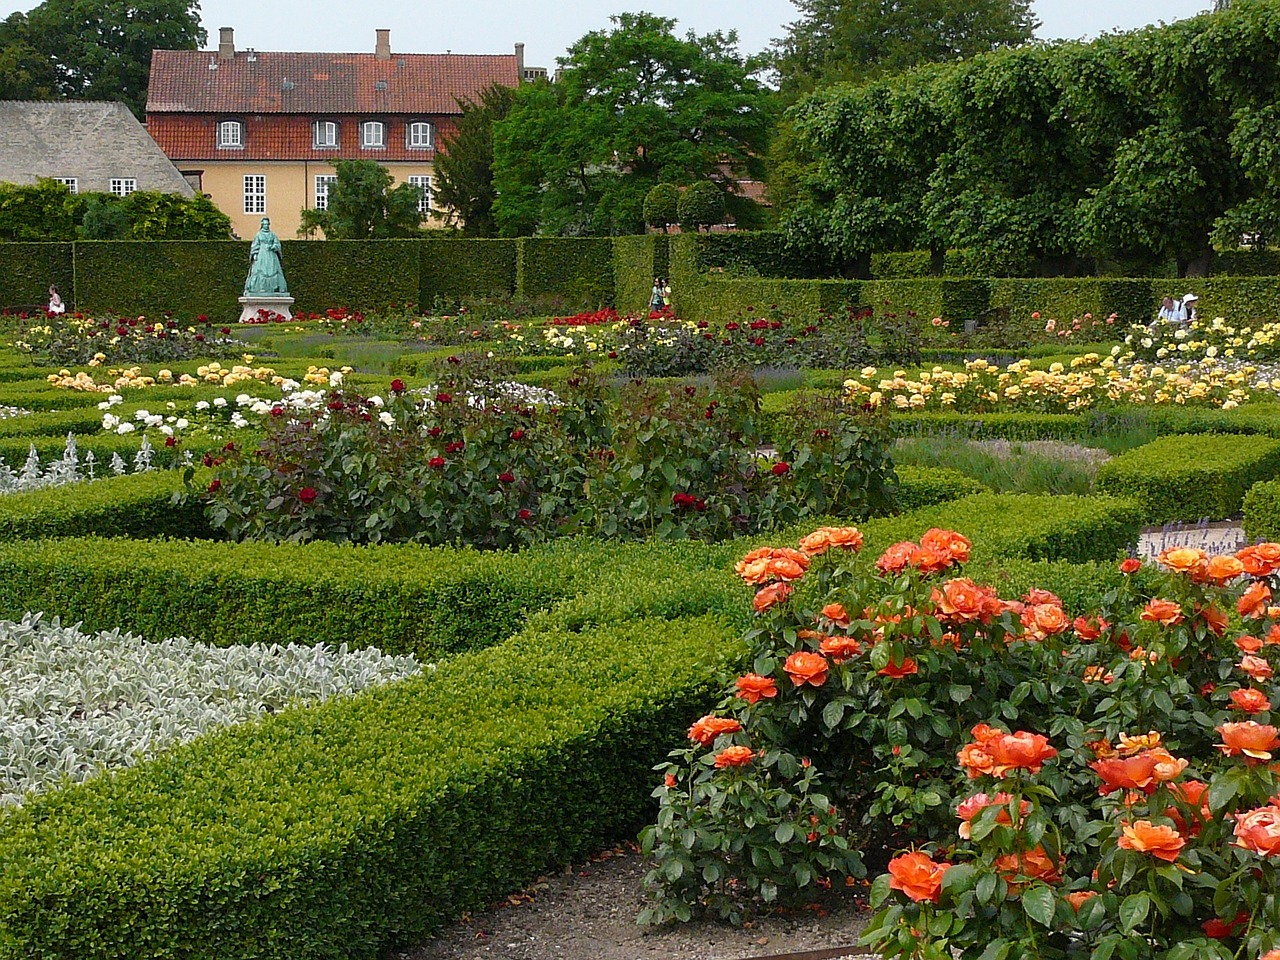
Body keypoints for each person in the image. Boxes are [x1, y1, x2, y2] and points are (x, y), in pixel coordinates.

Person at [243, 217, 289, 296]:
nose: (266, 226)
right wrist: (254, 254)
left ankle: (274, 288)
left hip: (271, 256)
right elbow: (255, 245)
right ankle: (259, 288)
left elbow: (277, 244)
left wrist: (274, 247)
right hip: (262, 255)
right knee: (259, 271)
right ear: (262, 225)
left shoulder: (272, 234)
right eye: (264, 224)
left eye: (267, 224)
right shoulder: (258, 235)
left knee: (274, 270)